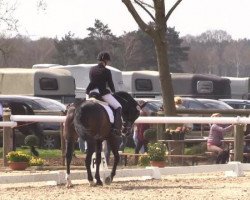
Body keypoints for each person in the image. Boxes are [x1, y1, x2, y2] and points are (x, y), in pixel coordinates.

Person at [86, 51, 122, 136]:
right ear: (105, 61)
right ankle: (116, 129)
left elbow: (92, 81)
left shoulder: (91, 69)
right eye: (108, 61)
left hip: (90, 92)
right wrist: (113, 91)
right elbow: (110, 84)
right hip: (102, 93)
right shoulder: (107, 71)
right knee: (118, 107)